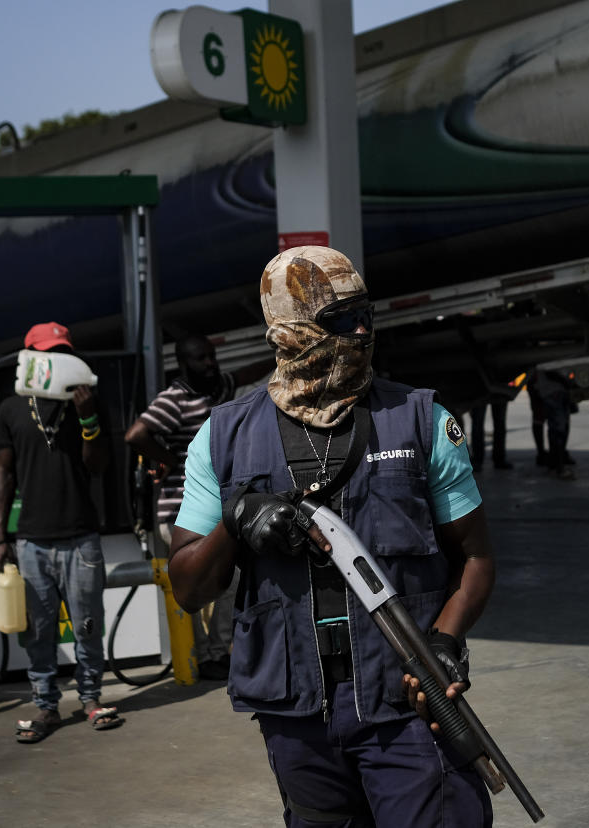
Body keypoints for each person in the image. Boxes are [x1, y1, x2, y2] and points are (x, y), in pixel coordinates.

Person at [168, 246, 496, 827]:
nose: (362, 329)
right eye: (340, 319)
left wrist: (444, 644)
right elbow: (190, 587)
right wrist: (237, 520)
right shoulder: (221, 438)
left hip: (407, 703)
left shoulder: (421, 420)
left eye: (366, 312)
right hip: (297, 715)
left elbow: (475, 558)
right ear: (290, 330)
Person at [0, 321, 122, 742]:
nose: (58, 359)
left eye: (63, 351)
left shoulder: (85, 401)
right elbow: (3, 476)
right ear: (31, 357)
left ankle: (90, 698)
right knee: (39, 631)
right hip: (31, 539)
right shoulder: (12, 407)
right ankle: (45, 706)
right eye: (49, 352)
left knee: (87, 625)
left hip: (80, 535)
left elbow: (98, 464)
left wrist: (88, 419)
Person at [124, 335, 275, 680]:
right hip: (179, 509)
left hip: (215, 508)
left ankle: (215, 653)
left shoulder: (217, 388)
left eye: (211, 356)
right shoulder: (174, 399)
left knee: (230, 579)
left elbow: (243, 374)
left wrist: (281, 358)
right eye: (200, 358)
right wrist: (174, 460)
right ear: (183, 364)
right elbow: (135, 435)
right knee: (198, 585)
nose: (210, 363)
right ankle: (205, 656)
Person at [469, 390, 513, 471]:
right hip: (482, 387)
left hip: (498, 387)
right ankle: (478, 460)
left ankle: (498, 458)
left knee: (498, 422)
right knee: (478, 423)